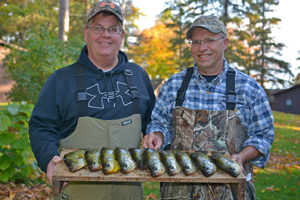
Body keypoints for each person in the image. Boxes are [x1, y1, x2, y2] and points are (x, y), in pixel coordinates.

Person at [29, 1, 155, 199]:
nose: (105, 34)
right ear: (85, 32)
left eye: (113, 29)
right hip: (78, 193)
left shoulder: (139, 76)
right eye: (98, 28)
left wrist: (155, 135)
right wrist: (47, 158)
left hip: (129, 194)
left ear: (121, 36)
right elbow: (42, 126)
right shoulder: (61, 80)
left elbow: (152, 123)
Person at [142, 15, 274, 200]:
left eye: (210, 40)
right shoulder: (174, 84)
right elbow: (159, 123)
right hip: (178, 191)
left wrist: (242, 157)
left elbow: (263, 135)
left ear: (225, 43)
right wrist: (157, 135)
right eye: (196, 42)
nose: (202, 48)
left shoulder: (248, 88)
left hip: (231, 189)